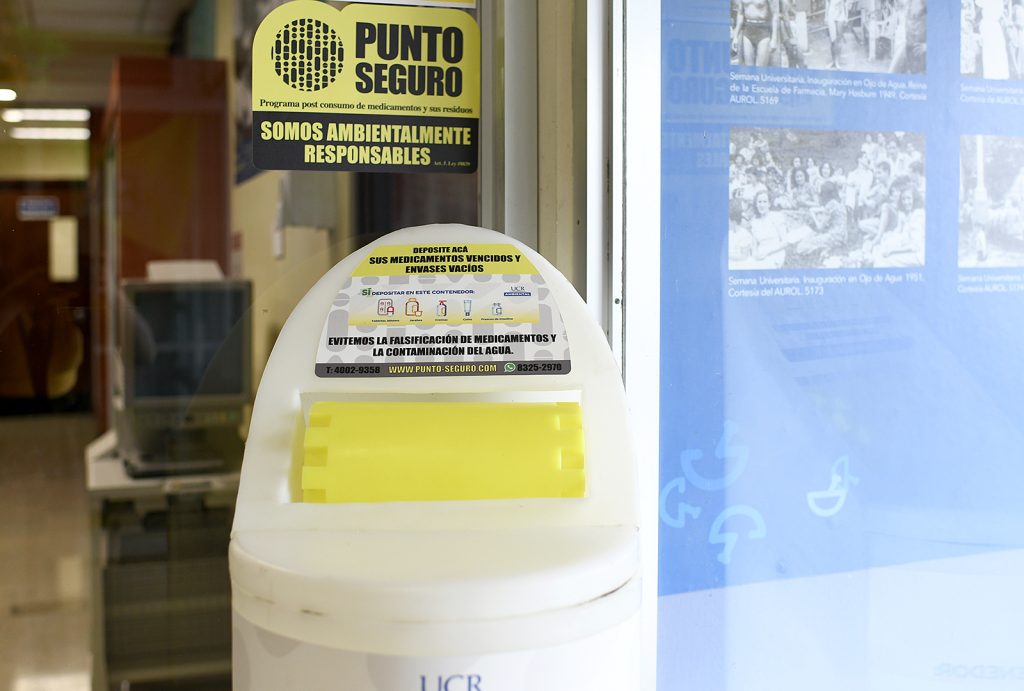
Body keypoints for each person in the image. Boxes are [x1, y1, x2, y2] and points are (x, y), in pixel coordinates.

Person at [734, 0, 778, 67]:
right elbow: (740, 14)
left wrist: (774, 39)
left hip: (763, 30)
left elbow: (775, 15)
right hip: (748, 30)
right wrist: (735, 37)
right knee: (749, 67)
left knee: (761, 68)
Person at [825, 0, 849, 69]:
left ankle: (837, 61)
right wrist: (826, 16)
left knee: (839, 39)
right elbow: (827, 3)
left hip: (841, 15)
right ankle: (833, 61)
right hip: (831, 14)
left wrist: (846, 17)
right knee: (832, 40)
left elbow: (845, 4)